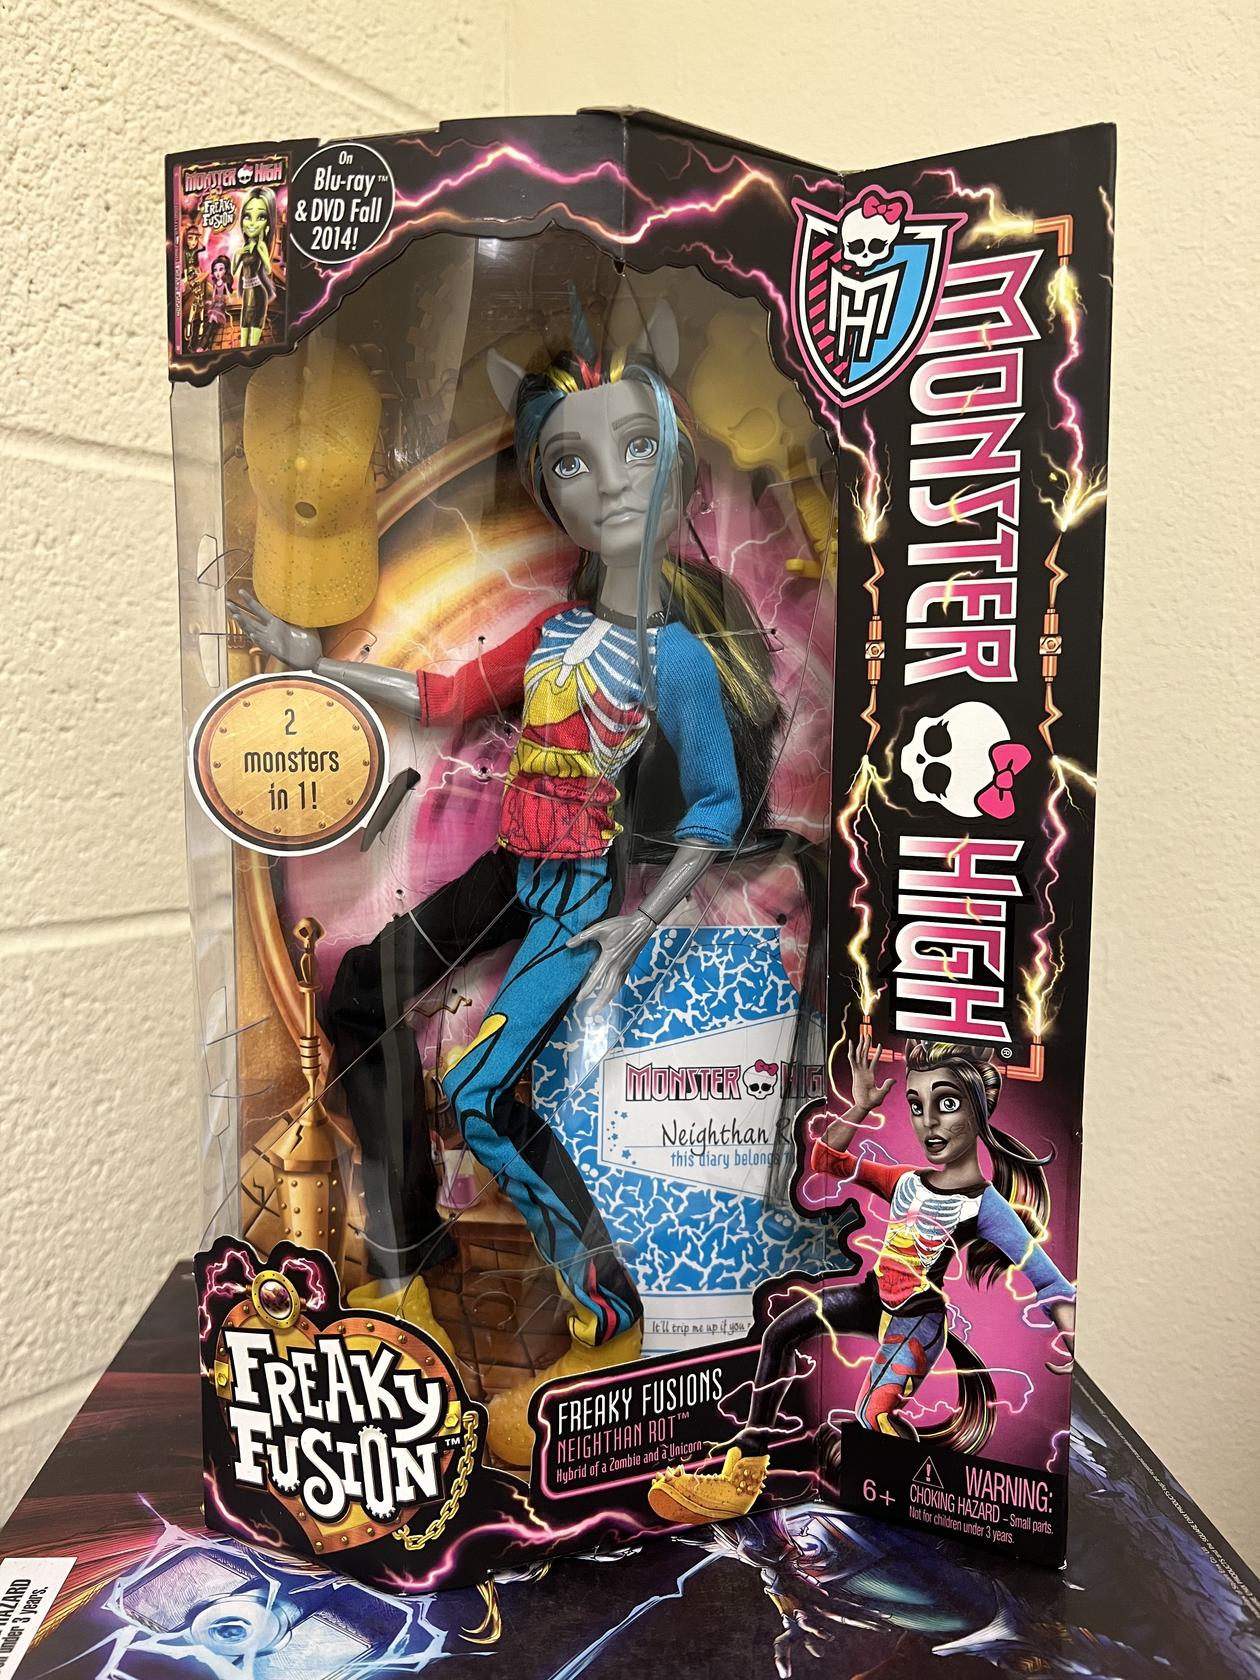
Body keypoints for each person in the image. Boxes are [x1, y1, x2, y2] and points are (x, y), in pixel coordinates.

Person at [230, 306, 783, 1462]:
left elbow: (717, 809)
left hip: (579, 894)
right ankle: (405, 1256)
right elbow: (439, 695)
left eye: (637, 448)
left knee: (483, 1096)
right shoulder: (556, 635)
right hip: (511, 869)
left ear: (678, 460)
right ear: (546, 489)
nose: (610, 483)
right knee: (360, 994)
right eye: (572, 463)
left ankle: (605, 1307)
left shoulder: (678, 656)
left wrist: (635, 925)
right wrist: (308, 659)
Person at [650, 1037, 1076, 1522]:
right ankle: (742, 1478)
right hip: (872, 1298)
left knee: (873, 1416)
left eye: (947, 1104)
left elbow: (1048, 1279)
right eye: (916, 1105)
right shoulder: (906, 1180)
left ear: (978, 1112)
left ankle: (913, 1500)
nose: (928, 1122)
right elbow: (825, 1161)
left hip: (917, 1321)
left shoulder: (986, 1205)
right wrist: (860, 1107)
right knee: (780, 1331)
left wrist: (1071, 1335)